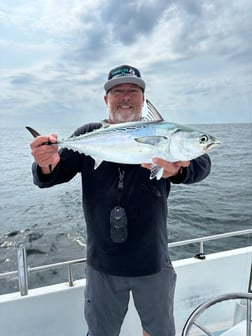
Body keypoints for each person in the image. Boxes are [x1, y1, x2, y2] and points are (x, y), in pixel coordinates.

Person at [29, 64, 211, 336]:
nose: (125, 96)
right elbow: (52, 174)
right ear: (106, 99)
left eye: (133, 91)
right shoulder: (89, 133)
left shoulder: (166, 134)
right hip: (102, 263)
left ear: (144, 99)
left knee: (159, 331)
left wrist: (179, 169)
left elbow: (202, 163)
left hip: (152, 260)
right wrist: (45, 163)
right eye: (118, 91)